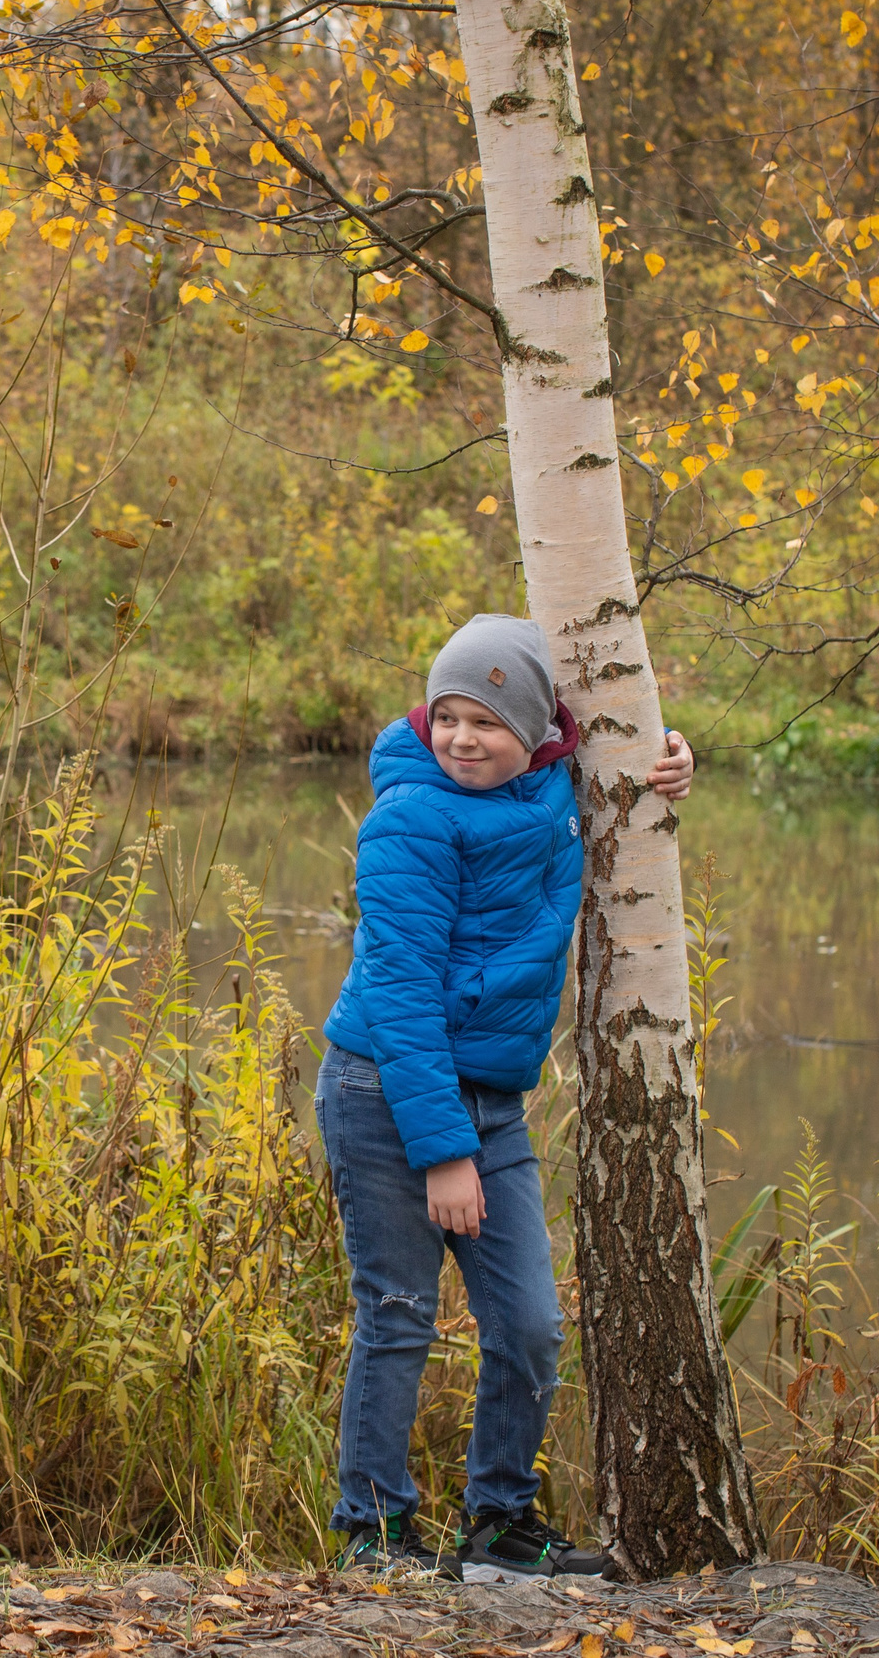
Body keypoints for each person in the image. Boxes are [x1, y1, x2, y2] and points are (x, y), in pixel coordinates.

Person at [318, 614, 695, 1582]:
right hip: (385, 1090)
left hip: (488, 1099)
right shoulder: (410, 818)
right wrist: (444, 1151)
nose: (460, 739)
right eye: (445, 717)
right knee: (399, 1311)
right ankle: (373, 1534)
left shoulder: (549, 789)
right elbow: (401, 993)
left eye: (484, 722)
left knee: (529, 1323)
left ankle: (497, 1524)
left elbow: (605, 765)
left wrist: (668, 760)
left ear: (532, 731)